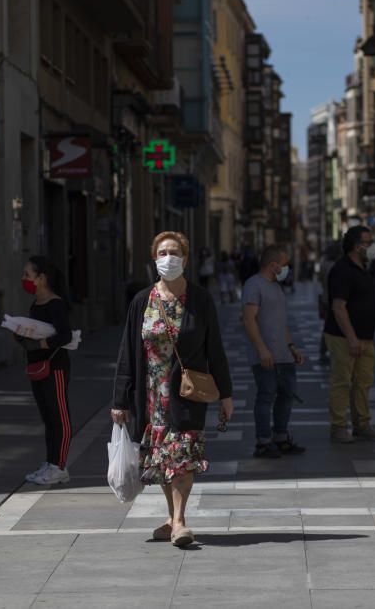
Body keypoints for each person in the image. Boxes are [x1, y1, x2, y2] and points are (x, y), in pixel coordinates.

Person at [112, 231, 234, 548]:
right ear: (155, 259)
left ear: (186, 259)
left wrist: (226, 394)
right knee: (162, 458)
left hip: (186, 393)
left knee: (182, 455)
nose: (169, 258)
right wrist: (120, 400)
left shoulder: (200, 300)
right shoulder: (142, 301)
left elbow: (216, 350)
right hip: (150, 394)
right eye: (163, 252)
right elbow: (127, 352)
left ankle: (179, 521)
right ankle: (171, 517)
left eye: (175, 252)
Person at [324, 226, 375, 444]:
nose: (372, 247)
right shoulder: (342, 270)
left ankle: (362, 425)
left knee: (363, 382)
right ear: (356, 245)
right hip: (344, 337)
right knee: (342, 382)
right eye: (368, 242)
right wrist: (351, 338)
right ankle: (339, 427)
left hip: (365, 338)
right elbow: (338, 307)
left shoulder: (363, 268)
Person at [242, 245, 306, 458]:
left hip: (283, 355)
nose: (287, 268)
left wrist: (291, 347)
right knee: (266, 396)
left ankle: (280, 437)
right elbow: (249, 320)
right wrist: (261, 349)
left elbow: (281, 322)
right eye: (285, 264)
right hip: (265, 355)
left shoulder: (277, 287)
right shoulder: (253, 285)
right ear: (273, 265)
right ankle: (263, 441)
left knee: (286, 396)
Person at [16, 256, 74, 486]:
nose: (24, 279)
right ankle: (51, 462)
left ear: (41, 278)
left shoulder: (55, 304)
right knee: (47, 416)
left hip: (54, 366)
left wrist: (39, 344)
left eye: (28, 275)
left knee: (59, 416)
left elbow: (64, 336)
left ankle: (59, 466)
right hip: (37, 366)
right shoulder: (36, 304)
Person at [316, 242, 340, 362]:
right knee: (333, 326)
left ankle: (324, 350)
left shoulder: (323, 264)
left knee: (329, 325)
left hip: (326, 298)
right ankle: (328, 350)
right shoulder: (334, 266)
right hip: (333, 299)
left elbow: (320, 280)